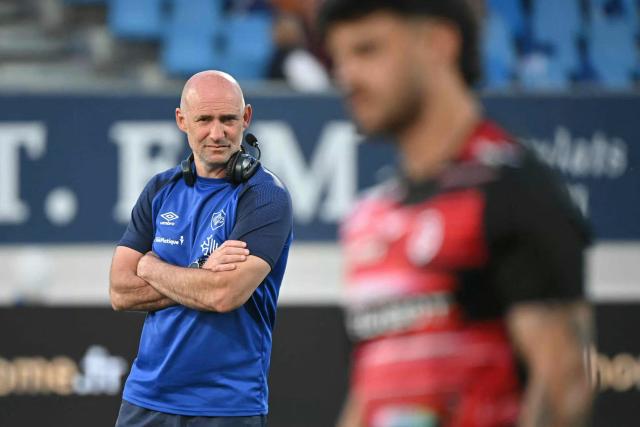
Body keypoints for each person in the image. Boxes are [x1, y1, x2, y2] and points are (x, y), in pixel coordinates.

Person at [318, 1, 594, 426]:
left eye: (367, 50)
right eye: (339, 59)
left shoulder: (509, 189)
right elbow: (369, 391)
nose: (347, 77)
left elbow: (564, 384)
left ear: (439, 43)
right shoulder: (369, 216)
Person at [109, 70, 293, 427]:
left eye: (228, 120)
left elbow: (224, 294)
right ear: (182, 121)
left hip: (227, 406)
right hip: (145, 398)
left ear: (246, 118)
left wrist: (150, 268)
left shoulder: (267, 196)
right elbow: (119, 292)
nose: (217, 133)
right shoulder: (159, 189)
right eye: (204, 120)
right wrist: (202, 275)